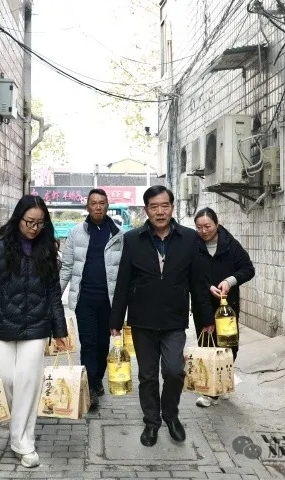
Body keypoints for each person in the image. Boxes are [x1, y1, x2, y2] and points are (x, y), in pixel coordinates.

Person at [109, 185, 213, 447]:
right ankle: (151, 422)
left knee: (174, 371)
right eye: (154, 207)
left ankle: (171, 415)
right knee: (147, 376)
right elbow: (123, 281)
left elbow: (198, 282)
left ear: (172, 208)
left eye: (164, 206)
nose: (160, 211)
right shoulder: (133, 239)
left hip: (174, 319)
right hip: (142, 320)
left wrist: (206, 319)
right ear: (146, 210)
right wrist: (115, 320)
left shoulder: (189, 238)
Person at [0, 195, 69, 469]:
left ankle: (23, 442)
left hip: (36, 327)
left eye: (40, 223)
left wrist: (60, 330)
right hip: (0, 327)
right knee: (5, 381)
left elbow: (53, 293)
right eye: (29, 222)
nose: (34, 228)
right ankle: (18, 425)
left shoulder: (47, 249)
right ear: (18, 219)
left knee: (28, 383)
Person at [59, 189, 124, 410]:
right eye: (93, 203)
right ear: (87, 206)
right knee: (88, 343)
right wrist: (55, 297)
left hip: (108, 300)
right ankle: (89, 387)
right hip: (84, 298)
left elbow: (124, 270)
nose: (97, 206)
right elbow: (67, 267)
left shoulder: (118, 234)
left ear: (107, 206)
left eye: (102, 203)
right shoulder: (76, 232)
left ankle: (96, 380)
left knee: (103, 343)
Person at [192, 207, 255, 408]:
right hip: (203, 305)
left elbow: (248, 269)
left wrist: (230, 281)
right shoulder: (192, 246)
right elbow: (188, 275)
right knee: (208, 345)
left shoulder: (230, 245)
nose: (203, 231)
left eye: (207, 226)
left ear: (217, 224)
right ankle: (210, 393)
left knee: (229, 347)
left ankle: (223, 382)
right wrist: (207, 287)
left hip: (228, 307)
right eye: (199, 227)